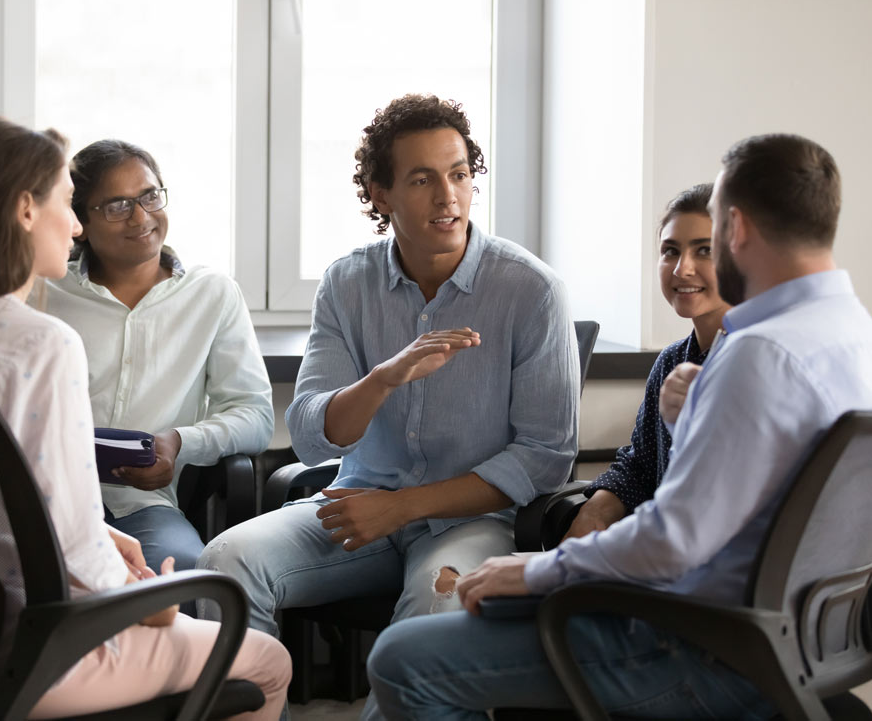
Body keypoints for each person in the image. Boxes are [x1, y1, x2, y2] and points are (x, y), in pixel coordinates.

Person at [366, 133, 872, 719]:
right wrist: (695, 415)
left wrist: (540, 568)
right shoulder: (854, 336)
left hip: (700, 648)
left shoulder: (761, 355)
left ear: (736, 228)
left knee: (403, 657)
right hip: (813, 641)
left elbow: (673, 543)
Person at [0, 116, 290, 719]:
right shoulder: (40, 341)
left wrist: (108, 540)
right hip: (38, 654)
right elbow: (70, 547)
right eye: (71, 205)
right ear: (25, 209)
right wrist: (144, 599)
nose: (73, 225)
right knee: (267, 661)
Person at [198, 94, 578, 717]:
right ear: (381, 193)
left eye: (459, 175)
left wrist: (401, 508)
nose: (447, 197)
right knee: (226, 561)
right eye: (423, 179)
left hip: (472, 522)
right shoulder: (347, 283)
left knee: (429, 621)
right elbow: (314, 435)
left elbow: (544, 459)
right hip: (358, 508)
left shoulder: (531, 289)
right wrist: (383, 378)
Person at [39, 139, 272, 578]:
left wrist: (180, 441)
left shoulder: (212, 294)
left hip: (145, 507)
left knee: (184, 576)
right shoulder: (44, 291)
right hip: (52, 501)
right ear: (80, 222)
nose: (141, 217)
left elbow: (255, 416)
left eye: (149, 196)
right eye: (117, 205)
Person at [562, 183, 730, 540]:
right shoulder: (672, 360)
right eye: (671, 251)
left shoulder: (753, 362)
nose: (682, 269)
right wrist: (593, 512)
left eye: (705, 251)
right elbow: (640, 467)